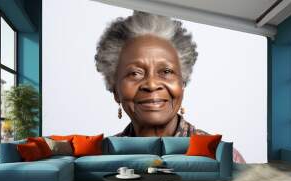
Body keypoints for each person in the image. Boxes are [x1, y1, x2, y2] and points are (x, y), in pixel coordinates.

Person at [94, 11, 245, 163]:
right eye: (134, 73)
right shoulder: (102, 156)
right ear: (115, 90)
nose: (152, 84)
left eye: (166, 71)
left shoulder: (224, 157)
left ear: (182, 83)